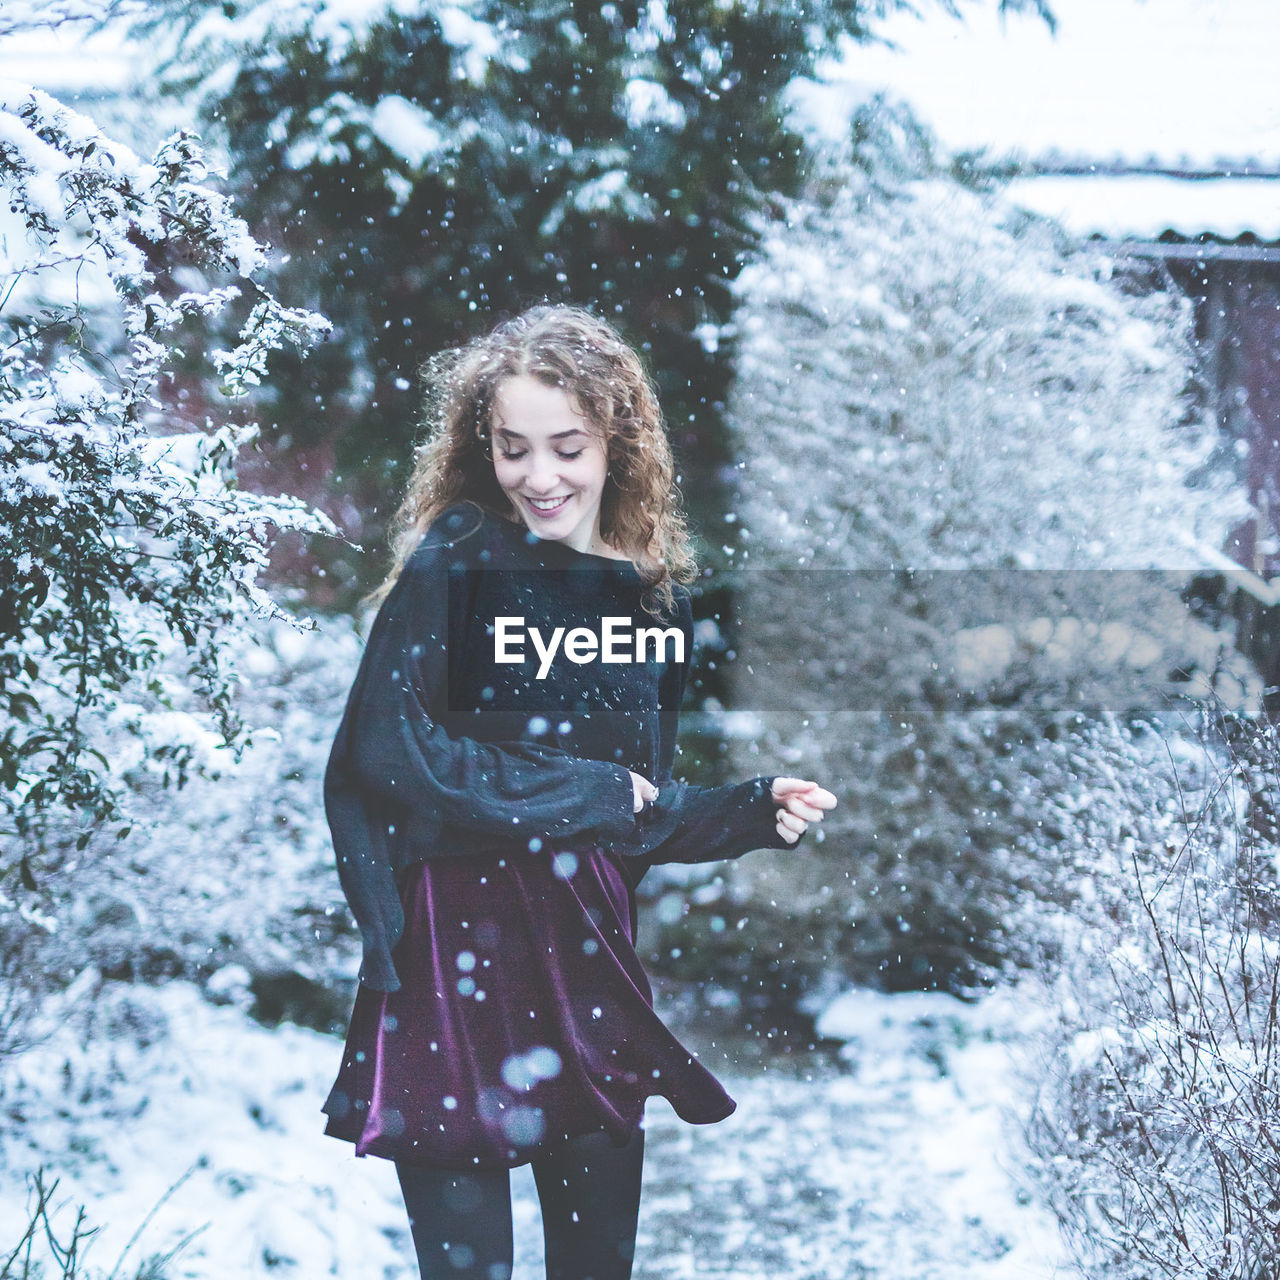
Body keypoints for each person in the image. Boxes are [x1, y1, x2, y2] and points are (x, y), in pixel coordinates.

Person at [320, 303, 836, 1280]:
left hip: (584, 968)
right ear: (483, 446)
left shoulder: (643, 600)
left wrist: (747, 809)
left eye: (566, 446)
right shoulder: (454, 565)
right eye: (513, 447)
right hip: (449, 967)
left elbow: (630, 815)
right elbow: (388, 755)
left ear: (616, 442)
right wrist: (588, 789)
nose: (539, 475)